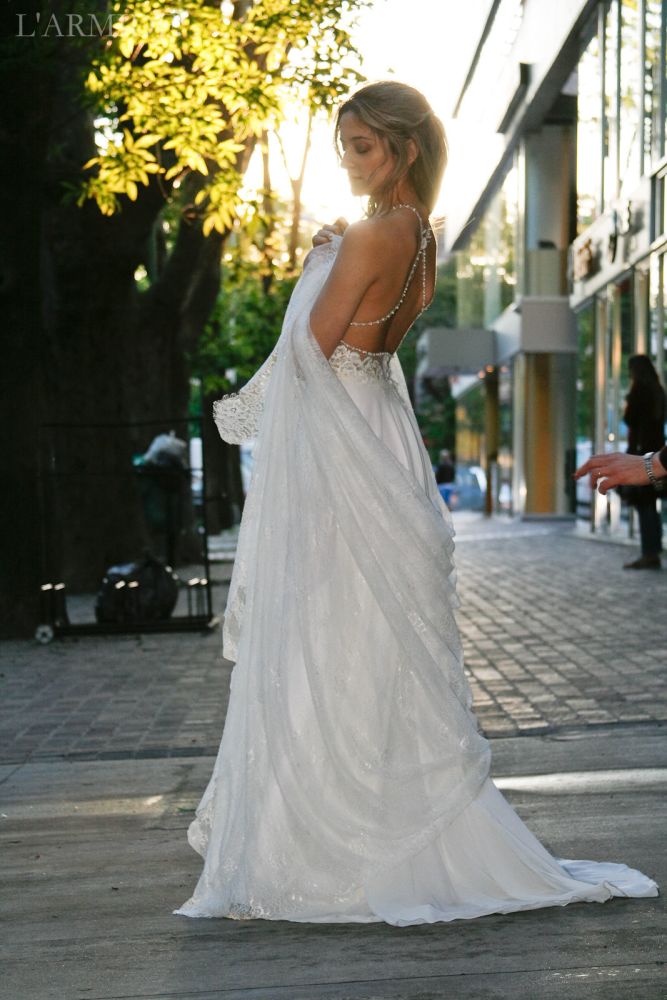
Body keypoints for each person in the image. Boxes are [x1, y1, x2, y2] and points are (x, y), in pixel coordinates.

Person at [174, 81, 658, 924]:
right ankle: (382, 834)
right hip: (374, 445)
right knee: (365, 638)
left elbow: (308, 353)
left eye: (362, 148)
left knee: (327, 636)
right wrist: (332, 258)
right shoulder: (422, 243)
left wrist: (319, 268)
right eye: (344, 151)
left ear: (401, 149)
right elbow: (366, 340)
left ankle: (332, 849)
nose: (353, 164)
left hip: (339, 455)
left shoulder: (368, 237)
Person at [619, 355, 665, 569]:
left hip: (641, 453)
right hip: (658, 453)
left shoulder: (639, 393)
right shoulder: (658, 392)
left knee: (644, 503)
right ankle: (653, 549)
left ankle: (650, 552)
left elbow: (630, 420)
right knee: (651, 502)